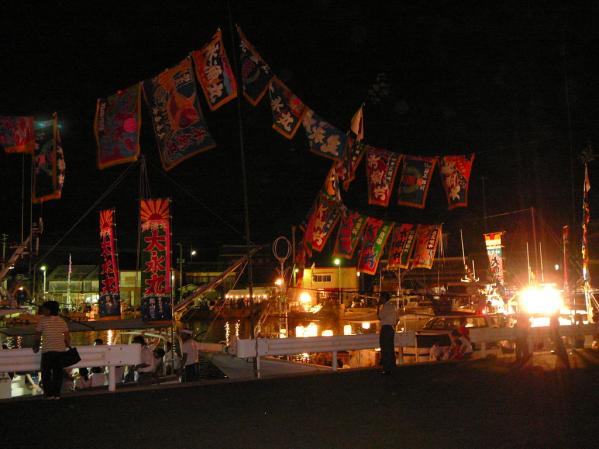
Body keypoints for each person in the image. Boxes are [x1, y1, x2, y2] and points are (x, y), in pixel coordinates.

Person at [33, 301, 70, 399]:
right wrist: (66, 344)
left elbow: (37, 335)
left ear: (49, 310)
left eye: (44, 309)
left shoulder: (42, 321)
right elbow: (67, 337)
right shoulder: (62, 321)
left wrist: (36, 346)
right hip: (60, 351)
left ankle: (49, 394)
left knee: (46, 374)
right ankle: (57, 394)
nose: (43, 310)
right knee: (58, 373)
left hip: (47, 351)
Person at [377, 292, 397, 374]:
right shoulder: (393, 306)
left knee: (385, 348)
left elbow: (379, 317)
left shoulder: (385, 307)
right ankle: (392, 366)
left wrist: (378, 307)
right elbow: (397, 318)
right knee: (390, 348)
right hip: (392, 328)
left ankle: (386, 368)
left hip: (385, 328)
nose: (380, 299)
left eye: (381, 298)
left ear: (384, 298)